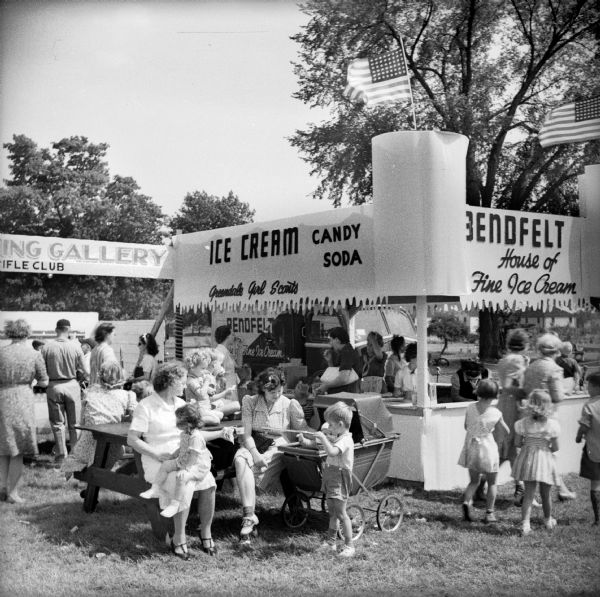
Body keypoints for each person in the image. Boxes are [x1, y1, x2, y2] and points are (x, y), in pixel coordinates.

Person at [128, 362, 227, 559]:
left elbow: (195, 434)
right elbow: (132, 439)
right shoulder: (146, 406)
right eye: (182, 381)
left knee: (208, 483)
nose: (185, 385)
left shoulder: (181, 404)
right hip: (158, 460)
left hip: (184, 456)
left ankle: (205, 533)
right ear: (170, 381)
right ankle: (179, 538)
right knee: (183, 482)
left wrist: (221, 432)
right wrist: (156, 454)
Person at [233, 368, 311, 539]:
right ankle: (249, 516)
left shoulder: (290, 404)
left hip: (278, 446)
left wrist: (321, 435)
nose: (276, 395)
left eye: (279, 391)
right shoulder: (250, 401)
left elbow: (304, 430)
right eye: (272, 391)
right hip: (254, 443)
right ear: (262, 389)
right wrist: (254, 454)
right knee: (239, 459)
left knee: (251, 468)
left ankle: (248, 518)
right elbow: (246, 435)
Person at [140, 401, 234, 520]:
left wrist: (186, 469)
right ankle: (156, 488)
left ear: (188, 424)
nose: (176, 423)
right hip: (184, 460)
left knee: (181, 477)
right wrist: (173, 455)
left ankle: (175, 504)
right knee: (165, 465)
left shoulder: (196, 437)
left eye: (178, 421)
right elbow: (182, 448)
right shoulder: (184, 433)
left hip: (197, 466)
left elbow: (194, 456)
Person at [298, 401, 356, 558]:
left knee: (341, 513)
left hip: (340, 477)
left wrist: (323, 437)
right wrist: (305, 441)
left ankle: (349, 546)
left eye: (330, 425)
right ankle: (331, 543)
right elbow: (315, 445)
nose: (328, 428)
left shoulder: (345, 440)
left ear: (340, 424)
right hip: (331, 476)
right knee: (332, 513)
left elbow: (331, 452)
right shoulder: (335, 436)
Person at [0, 319, 49, 503]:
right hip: (22, 398)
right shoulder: (34, 354)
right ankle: (13, 493)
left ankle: (2, 488)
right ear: (27, 333)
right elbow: (44, 381)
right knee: (18, 448)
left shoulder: (1, 352)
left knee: (3, 446)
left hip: (2, 397)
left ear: (9, 332)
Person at [522, 333, 575, 501]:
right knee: (550, 453)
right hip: (548, 414)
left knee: (532, 453)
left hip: (530, 413)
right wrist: (568, 387)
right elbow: (558, 396)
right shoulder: (554, 369)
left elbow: (525, 389)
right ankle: (560, 490)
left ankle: (560, 489)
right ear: (556, 351)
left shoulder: (531, 366)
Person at [62, 361, 137, 477]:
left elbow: (82, 420)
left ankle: (89, 483)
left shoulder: (89, 393)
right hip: (111, 445)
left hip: (86, 446)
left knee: (90, 450)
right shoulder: (128, 395)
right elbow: (136, 419)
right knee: (119, 449)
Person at [458, 380, 509, 523]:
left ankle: (467, 502)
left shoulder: (470, 407)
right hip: (488, 449)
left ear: (478, 392)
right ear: (495, 395)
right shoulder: (496, 412)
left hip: (471, 447)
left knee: (474, 481)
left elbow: (466, 426)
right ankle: (489, 513)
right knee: (492, 482)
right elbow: (506, 430)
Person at [512, 390, 561, 536]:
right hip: (545, 459)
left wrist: (529, 443)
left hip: (528, 459)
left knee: (528, 494)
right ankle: (547, 520)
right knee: (546, 494)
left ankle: (525, 525)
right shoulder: (552, 424)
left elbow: (517, 443)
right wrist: (544, 446)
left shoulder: (522, 423)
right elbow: (556, 447)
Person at [41, 319, 86, 463]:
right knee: (75, 424)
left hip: (54, 386)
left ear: (56, 329)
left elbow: (41, 370)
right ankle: (76, 456)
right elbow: (85, 370)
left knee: (57, 424)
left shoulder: (47, 347)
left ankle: (61, 457)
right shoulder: (76, 347)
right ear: (69, 330)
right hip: (72, 385)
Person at [496, 328, 530, 503]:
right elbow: (510, 385)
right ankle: (521, 486)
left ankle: (480, 485)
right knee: (510, 447)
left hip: (504, 403)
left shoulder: (504, 360)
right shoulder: (517, 360)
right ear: (524, 345)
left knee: (507, 449)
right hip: (512, 406)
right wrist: (527, 392)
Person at [575, 371, 600, 525]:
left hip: (594, 449)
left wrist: (578, 437)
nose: (587, 389)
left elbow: (584, 426)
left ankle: (598, 519)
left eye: (589, 386)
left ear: (597, 388)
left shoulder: (589, 405)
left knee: (596, 483)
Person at [316, 327, 361, 395]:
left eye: (331, 340)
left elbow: (343, 378)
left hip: (346, 396)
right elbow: (336, 374)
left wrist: (326, 385)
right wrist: (330, 361)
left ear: (337, 340)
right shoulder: (343, 352)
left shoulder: (347, 352)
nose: (330, 344)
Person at [214, 325, 240, 403]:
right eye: (232, 334)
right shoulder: (220, 351)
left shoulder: (225, 351)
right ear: (227, 336)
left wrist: (238, 347)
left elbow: (237, 366)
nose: (234, 336)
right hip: (226, 387)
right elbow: (216, 372)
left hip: (231, 385)